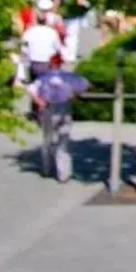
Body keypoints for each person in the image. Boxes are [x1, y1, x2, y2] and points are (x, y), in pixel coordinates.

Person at [26, 56, 89, 184]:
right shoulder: (69, 77)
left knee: (48, 139)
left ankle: (46, 168)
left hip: (48, 108)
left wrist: (39, 101)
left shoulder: (43, 78)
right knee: (63, 141)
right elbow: (85, 84)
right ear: (61, 64)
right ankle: (63, 174)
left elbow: (31, 89)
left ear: (50, 64)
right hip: (64, 108)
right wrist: (74, 95)